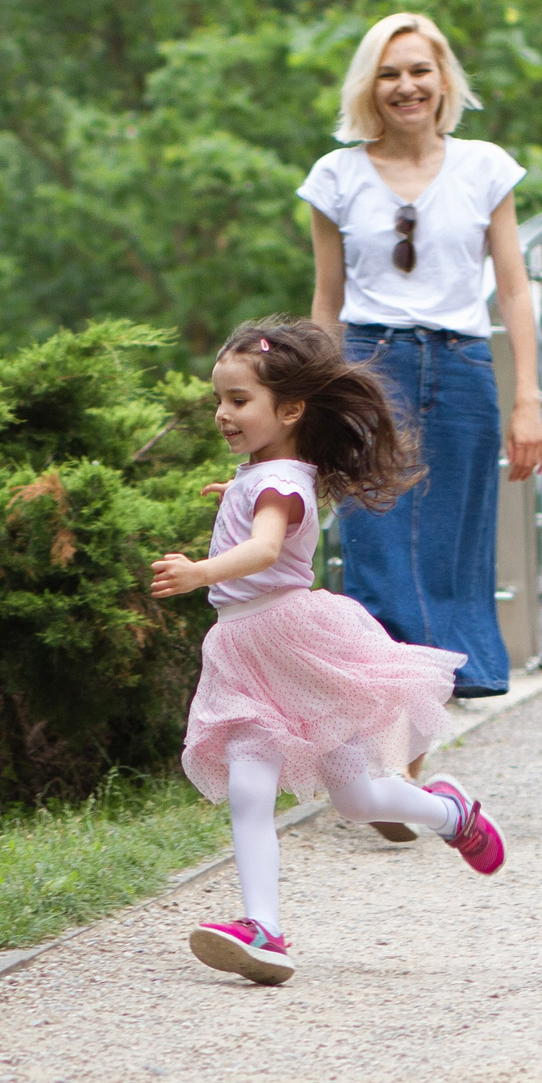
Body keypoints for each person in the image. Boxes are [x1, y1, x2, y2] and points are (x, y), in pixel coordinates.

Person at [150, 317, 509, 985]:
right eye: (220, 400)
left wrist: (201, 569)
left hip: (292, 644)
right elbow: (262, 519)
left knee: (356, 798)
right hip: (247, 651)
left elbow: (263, 549)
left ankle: (450, 812)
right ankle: (265, 928)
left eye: (238, 400)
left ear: (290, 409)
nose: (224, 414)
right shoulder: (265, 472)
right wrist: (234, 493)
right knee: (252, 790)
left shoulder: (280, 480)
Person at [304, 12, 542, 709]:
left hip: (463, 365)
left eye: (419, 70)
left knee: (457, 534)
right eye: (389, 73)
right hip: (369, 365)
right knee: (373, 536)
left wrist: (527, 397)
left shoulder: (486, 167)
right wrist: (316, 400)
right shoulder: (336, 175)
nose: (405, 86)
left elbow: (513, 287)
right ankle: (385, 687)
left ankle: (447, 677)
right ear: (369, 86)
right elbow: (326, 298)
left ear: (443, 81)